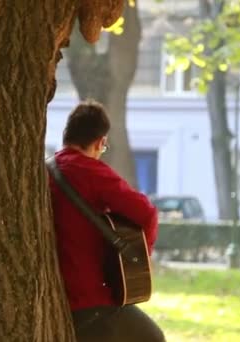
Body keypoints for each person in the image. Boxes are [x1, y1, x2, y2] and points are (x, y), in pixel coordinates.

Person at [48, 100, 165, 341]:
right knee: (153, 338)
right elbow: (146, 213)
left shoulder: (45, 170)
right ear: (100, 142)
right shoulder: (90, 171)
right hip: (92, 299)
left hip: (55, 296)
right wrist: (139, 259)